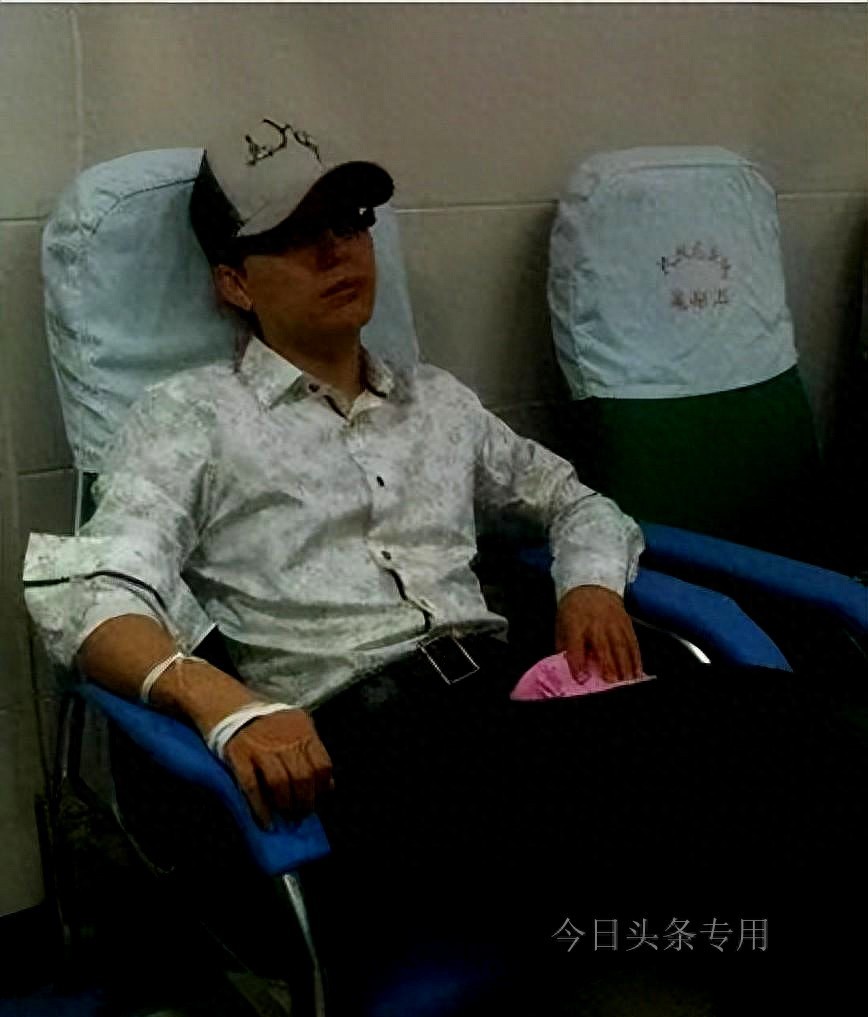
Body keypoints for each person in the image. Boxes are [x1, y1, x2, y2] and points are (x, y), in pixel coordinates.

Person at [23, 118, 868, 1014]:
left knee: (782, 721)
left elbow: (573, 499)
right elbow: (93, 588)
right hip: (368, 747)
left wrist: (587, 583)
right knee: (722, 808)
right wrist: (223, 701)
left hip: (506, 706)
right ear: (234, 281)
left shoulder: (438, 405)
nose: (336, 250)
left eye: (348, 222)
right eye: (295, 236)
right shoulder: (191, 418)